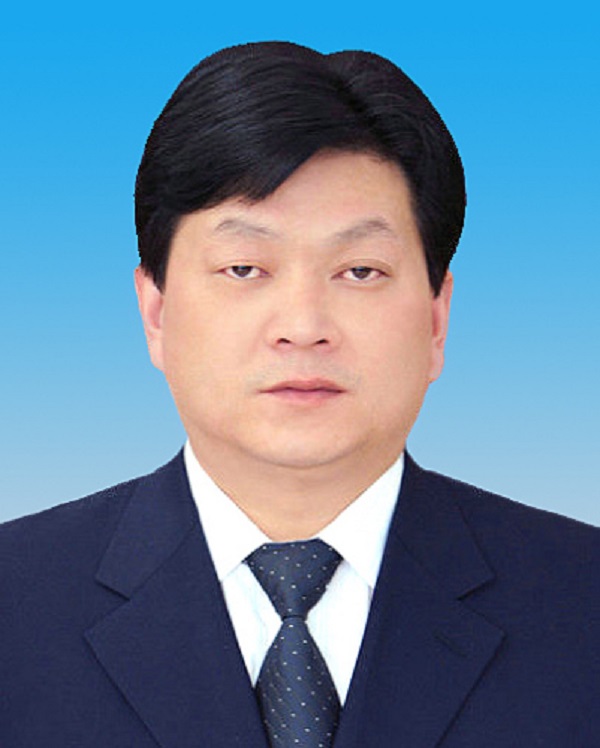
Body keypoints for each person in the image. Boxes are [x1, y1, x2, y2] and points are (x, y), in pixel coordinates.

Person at [1, 41, 598, 748]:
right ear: (155, 313)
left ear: (437, 319)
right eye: (245, 268)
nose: (304, 326)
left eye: (360, 271)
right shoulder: (15, 601)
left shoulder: (581, 600)